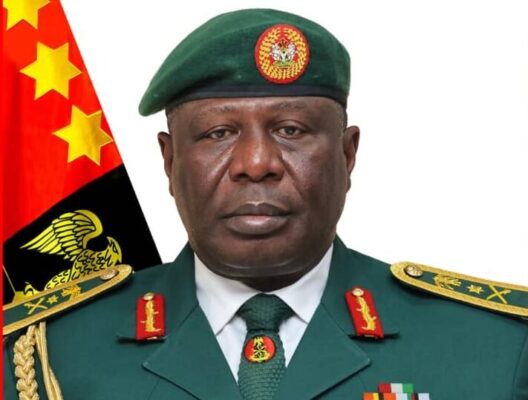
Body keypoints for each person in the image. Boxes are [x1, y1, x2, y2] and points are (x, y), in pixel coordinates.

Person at [3, 8, 527, 400]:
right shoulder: (43, 353)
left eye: (291, 130)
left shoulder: (496, 349)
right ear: (169, 161)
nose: (256, 163)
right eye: (218, 133)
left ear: (348, 155)